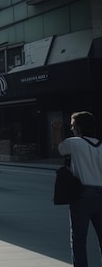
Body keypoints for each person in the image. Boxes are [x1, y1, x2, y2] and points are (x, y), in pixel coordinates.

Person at [58, 111, 102, 267]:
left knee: (79, 239)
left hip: (82, 195)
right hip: (100, 193)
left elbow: (61, 149)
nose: (71, 129)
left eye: (72, 126)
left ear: (78, 127)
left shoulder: (74, 143)